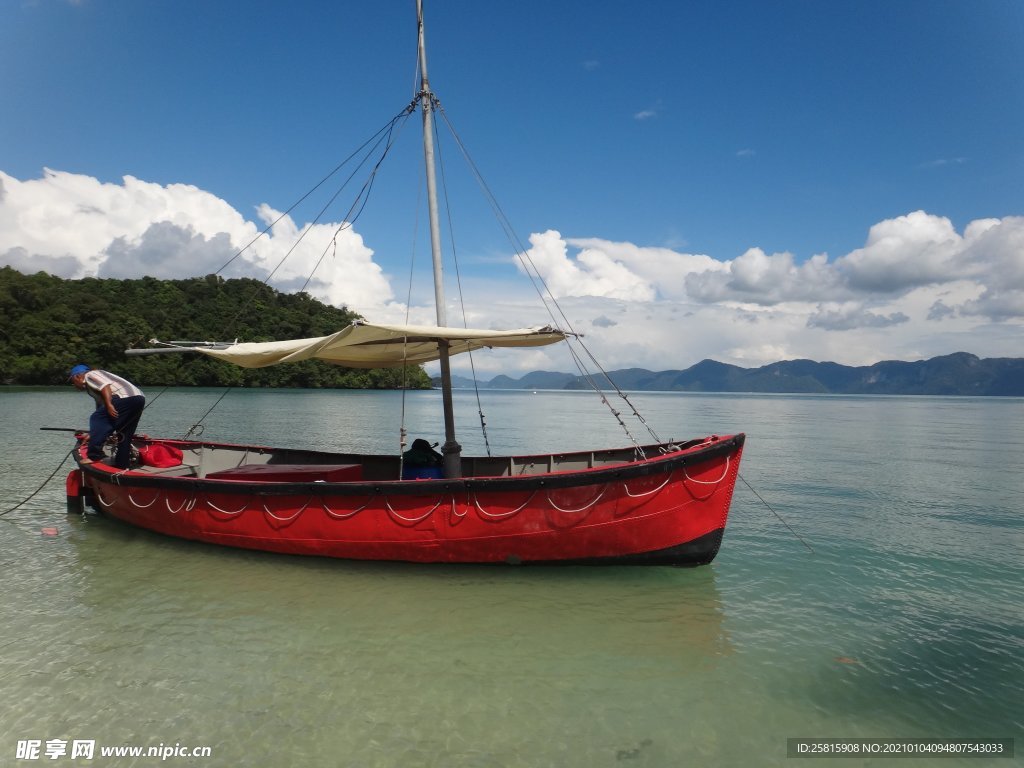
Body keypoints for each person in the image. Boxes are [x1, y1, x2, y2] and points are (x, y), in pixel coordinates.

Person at [68, 364, 146, 469]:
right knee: (124, 433)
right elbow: (101, 408)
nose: (74, 385)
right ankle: (122, 464)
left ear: (77, 376)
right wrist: (95, 432)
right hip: (139, 399)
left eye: (73, 381)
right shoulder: (92, 386)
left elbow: (105, 386)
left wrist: (109, 404)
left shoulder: (90, 375)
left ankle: (95, 455)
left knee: (95, 418)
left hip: (125, 398)